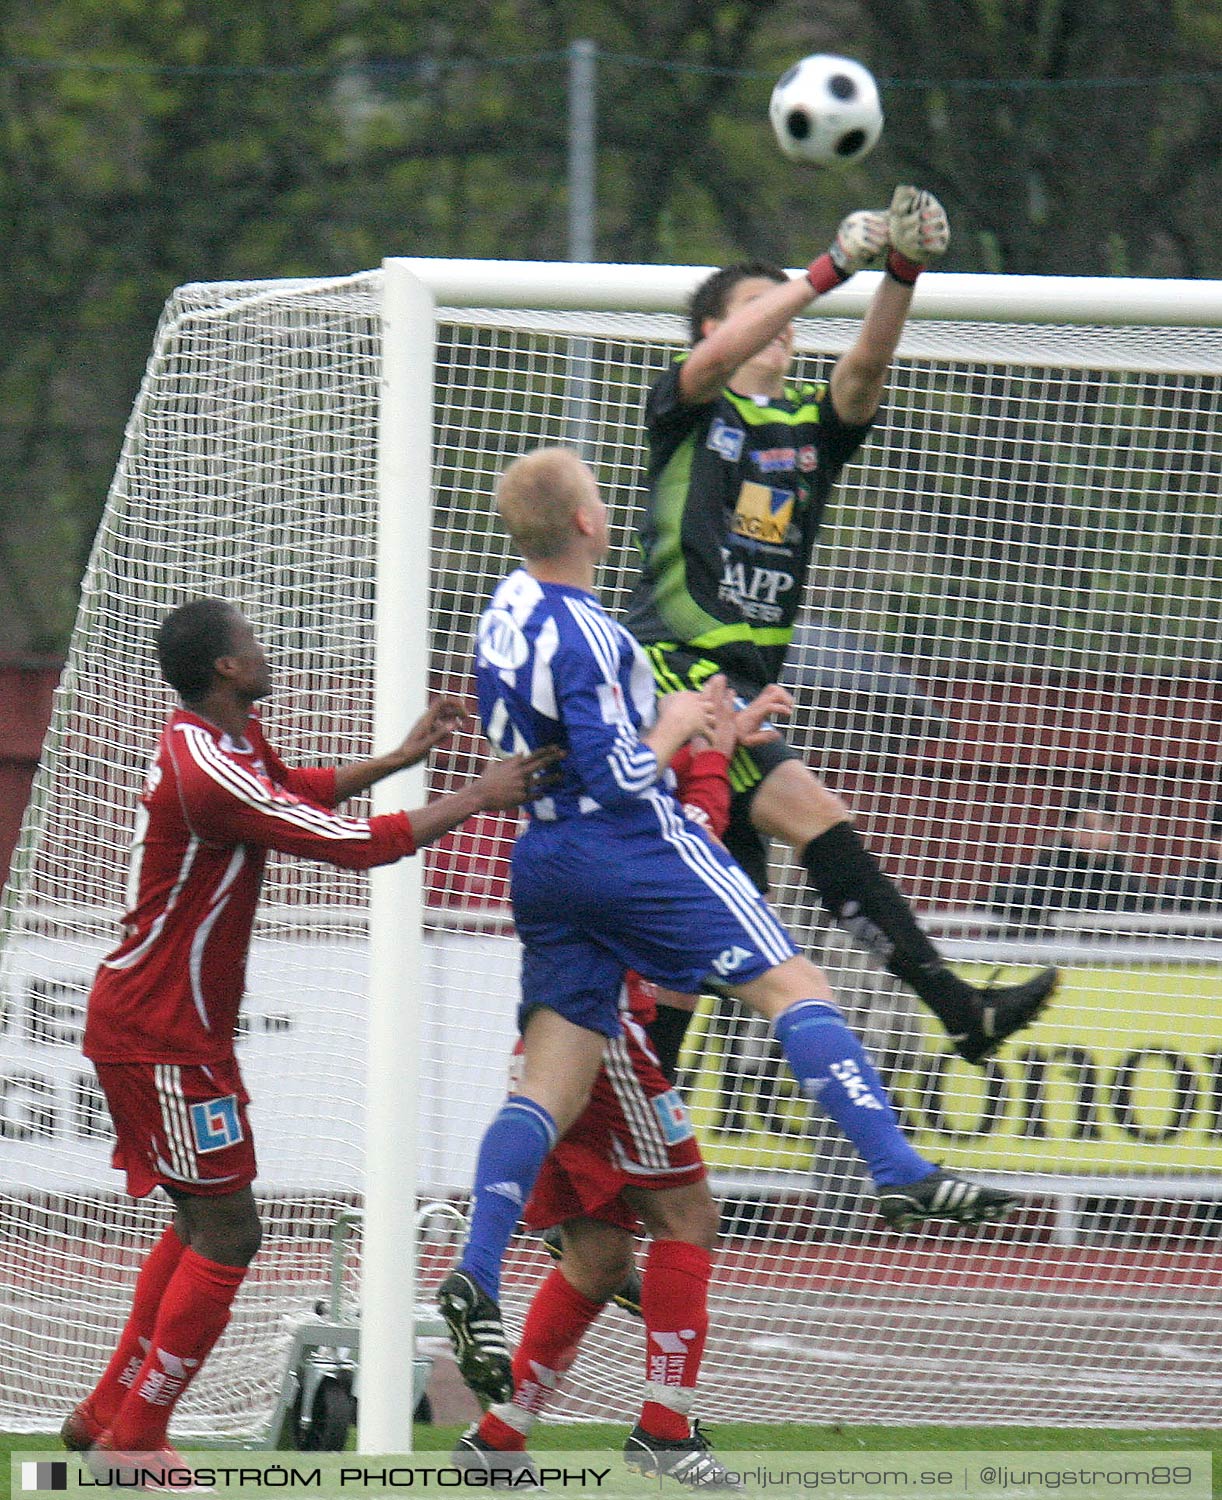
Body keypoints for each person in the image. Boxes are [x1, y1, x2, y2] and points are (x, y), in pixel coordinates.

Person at [437, 448, 1016, 1451]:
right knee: (797, 983)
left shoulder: (503, 609)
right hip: (622, 845)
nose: (610, 509)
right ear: (585, 521)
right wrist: (671, 724)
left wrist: (714, 732)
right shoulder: (595, 630)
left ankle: (477, 1275)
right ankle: (892, 1163)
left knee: (549, 1088)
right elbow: (621, 774)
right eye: (601, 498)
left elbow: (567, 750)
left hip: (543, 863)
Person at [61, 597, 556, 1467]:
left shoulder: (226, 746)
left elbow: (293, 793)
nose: (263, 649)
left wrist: (405, 756)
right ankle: (135, 1442)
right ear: (223, 668)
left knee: (195, 1223)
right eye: (249, 642)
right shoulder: (205, 768)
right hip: (159, 1033)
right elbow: (351, 846)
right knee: (228, 1233)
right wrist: (480, 793)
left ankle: (106, 1417)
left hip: (175, 1030)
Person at [621, 187, 1058, 1076]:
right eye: (760, 309)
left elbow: (861, 372)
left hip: (739, 691)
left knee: (705, 951)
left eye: (789, 310)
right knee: (813, 820)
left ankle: (628, 1125)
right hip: (678, 681)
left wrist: (902, 271)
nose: (785, 323)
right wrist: (825, 271)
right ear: (713, 333)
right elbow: (720, 360)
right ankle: (958, 1007)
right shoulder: (689, 409)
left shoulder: (807, 432)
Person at [455, 685, 780, 1491]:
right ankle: (665, 1431)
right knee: (689, 1219)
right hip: (608, 1042)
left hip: (549, 1043)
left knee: (597, 1260)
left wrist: (704, 746)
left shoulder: (574, 805)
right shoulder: (632, 816)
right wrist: (712, 749)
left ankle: (497, 1439)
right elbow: (698, 839)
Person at [990, 792, 1156, 932]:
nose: (1095, 834)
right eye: (1086, 826)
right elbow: (1002, 899)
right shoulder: (1044, 875)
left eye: (1103, 826)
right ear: (1068, 829)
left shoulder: (1124, 881)